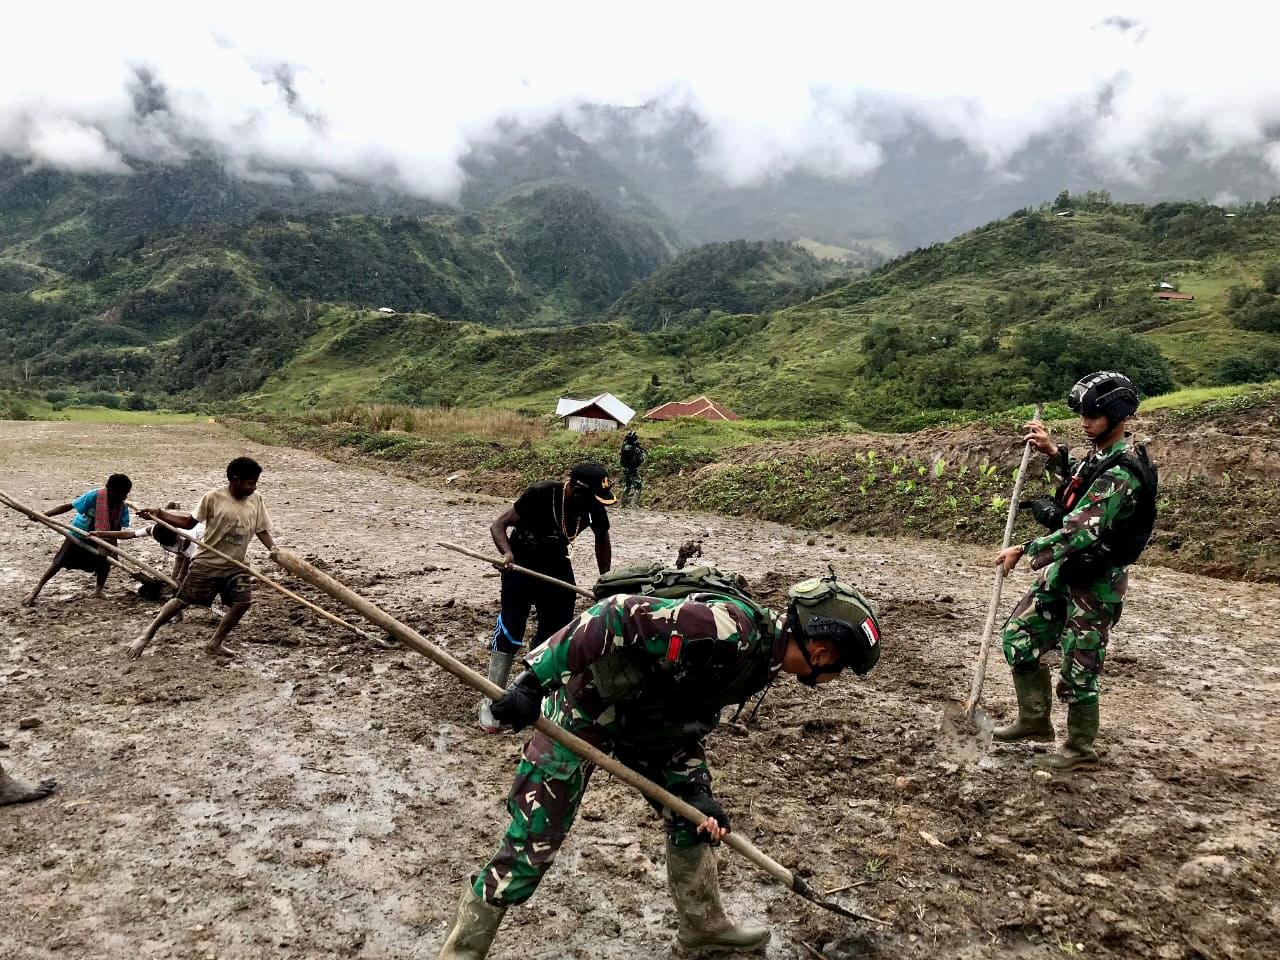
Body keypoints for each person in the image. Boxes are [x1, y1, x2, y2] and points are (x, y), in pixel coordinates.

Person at [437, 571, 882, 959]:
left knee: (693, 820)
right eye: (838, 668)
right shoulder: (731, 630)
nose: (830, 678)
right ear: (823, 651)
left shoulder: (762, 661)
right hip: (584, 713)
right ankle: (462, 951)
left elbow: (683, 717)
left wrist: (696, 787)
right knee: (531, 846)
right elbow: (615, 614)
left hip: (647, 722)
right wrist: (534, 679)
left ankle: (704, 928)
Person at [993, 372, 1158, 771]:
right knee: (1018, 637)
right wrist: (1053, 452)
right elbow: (1079, 481)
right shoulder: (1100, 456)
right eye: (1083, 414)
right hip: (1066, 571)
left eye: (1093, 415)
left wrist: (1025, 550)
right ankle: (1034, 721)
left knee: (1079, 667)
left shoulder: (1124, 471)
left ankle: (1080, 749)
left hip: (1096, 581)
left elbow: (1080, 530)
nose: (1085, 422)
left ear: (1116, 416)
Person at [479, 462, 615, 732]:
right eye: (588, 499)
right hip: (522, 561)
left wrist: (605, 579)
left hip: (556, 562)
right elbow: (499, 525)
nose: (592, 506)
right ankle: (492, 699)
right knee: (511, 630)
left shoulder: (592, 504)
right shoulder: (541, 493)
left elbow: (602, 538)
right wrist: (506, 554)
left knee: (555, 635)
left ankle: (527, 694)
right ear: (574, 489)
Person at [127, 457, 274, 660]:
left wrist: (275, 551)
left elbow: (261, 529)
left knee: (243, 602)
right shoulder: (213, 498)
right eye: (250, 482)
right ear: (236, 480)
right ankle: (147, 634)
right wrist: (160, 513)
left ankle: (215, 643)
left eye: (255, 482)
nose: (254, 487)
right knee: (182, 600)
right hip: (208, 562)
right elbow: (188, 523)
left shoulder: (256, 498)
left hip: (236, 564)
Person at [22, 474, 144, 606]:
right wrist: (44, 515)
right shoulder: (94, 496)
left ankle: (98, 590)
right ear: (113, 491)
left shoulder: (122, 507)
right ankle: (36, 589)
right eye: (124, 493)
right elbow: (69, 506)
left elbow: (117, 528)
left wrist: (113, 548)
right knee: (59, 561)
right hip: (80, 533)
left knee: (104, 562)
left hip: (103, 538)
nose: (126, 497)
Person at [619, 429, 646, 508]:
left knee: (627, 486)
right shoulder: (635, 448)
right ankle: (634, 504)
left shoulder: (624, 446)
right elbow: (640, 459)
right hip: (633, 469)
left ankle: (622, 504)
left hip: (625, 468)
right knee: (638, 486)